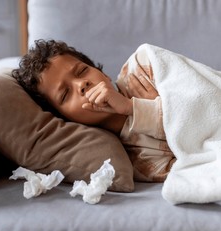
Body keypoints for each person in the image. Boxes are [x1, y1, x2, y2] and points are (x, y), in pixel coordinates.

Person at [12, 39, 175, 182]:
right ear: (65, 118)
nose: (81, 84)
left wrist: (166, 104)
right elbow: (195, 163)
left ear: (103, 74)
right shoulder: (138, 161)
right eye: (65, 94)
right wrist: (136, 109)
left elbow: (198, 97)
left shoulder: (143, 65)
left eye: (82, 71)